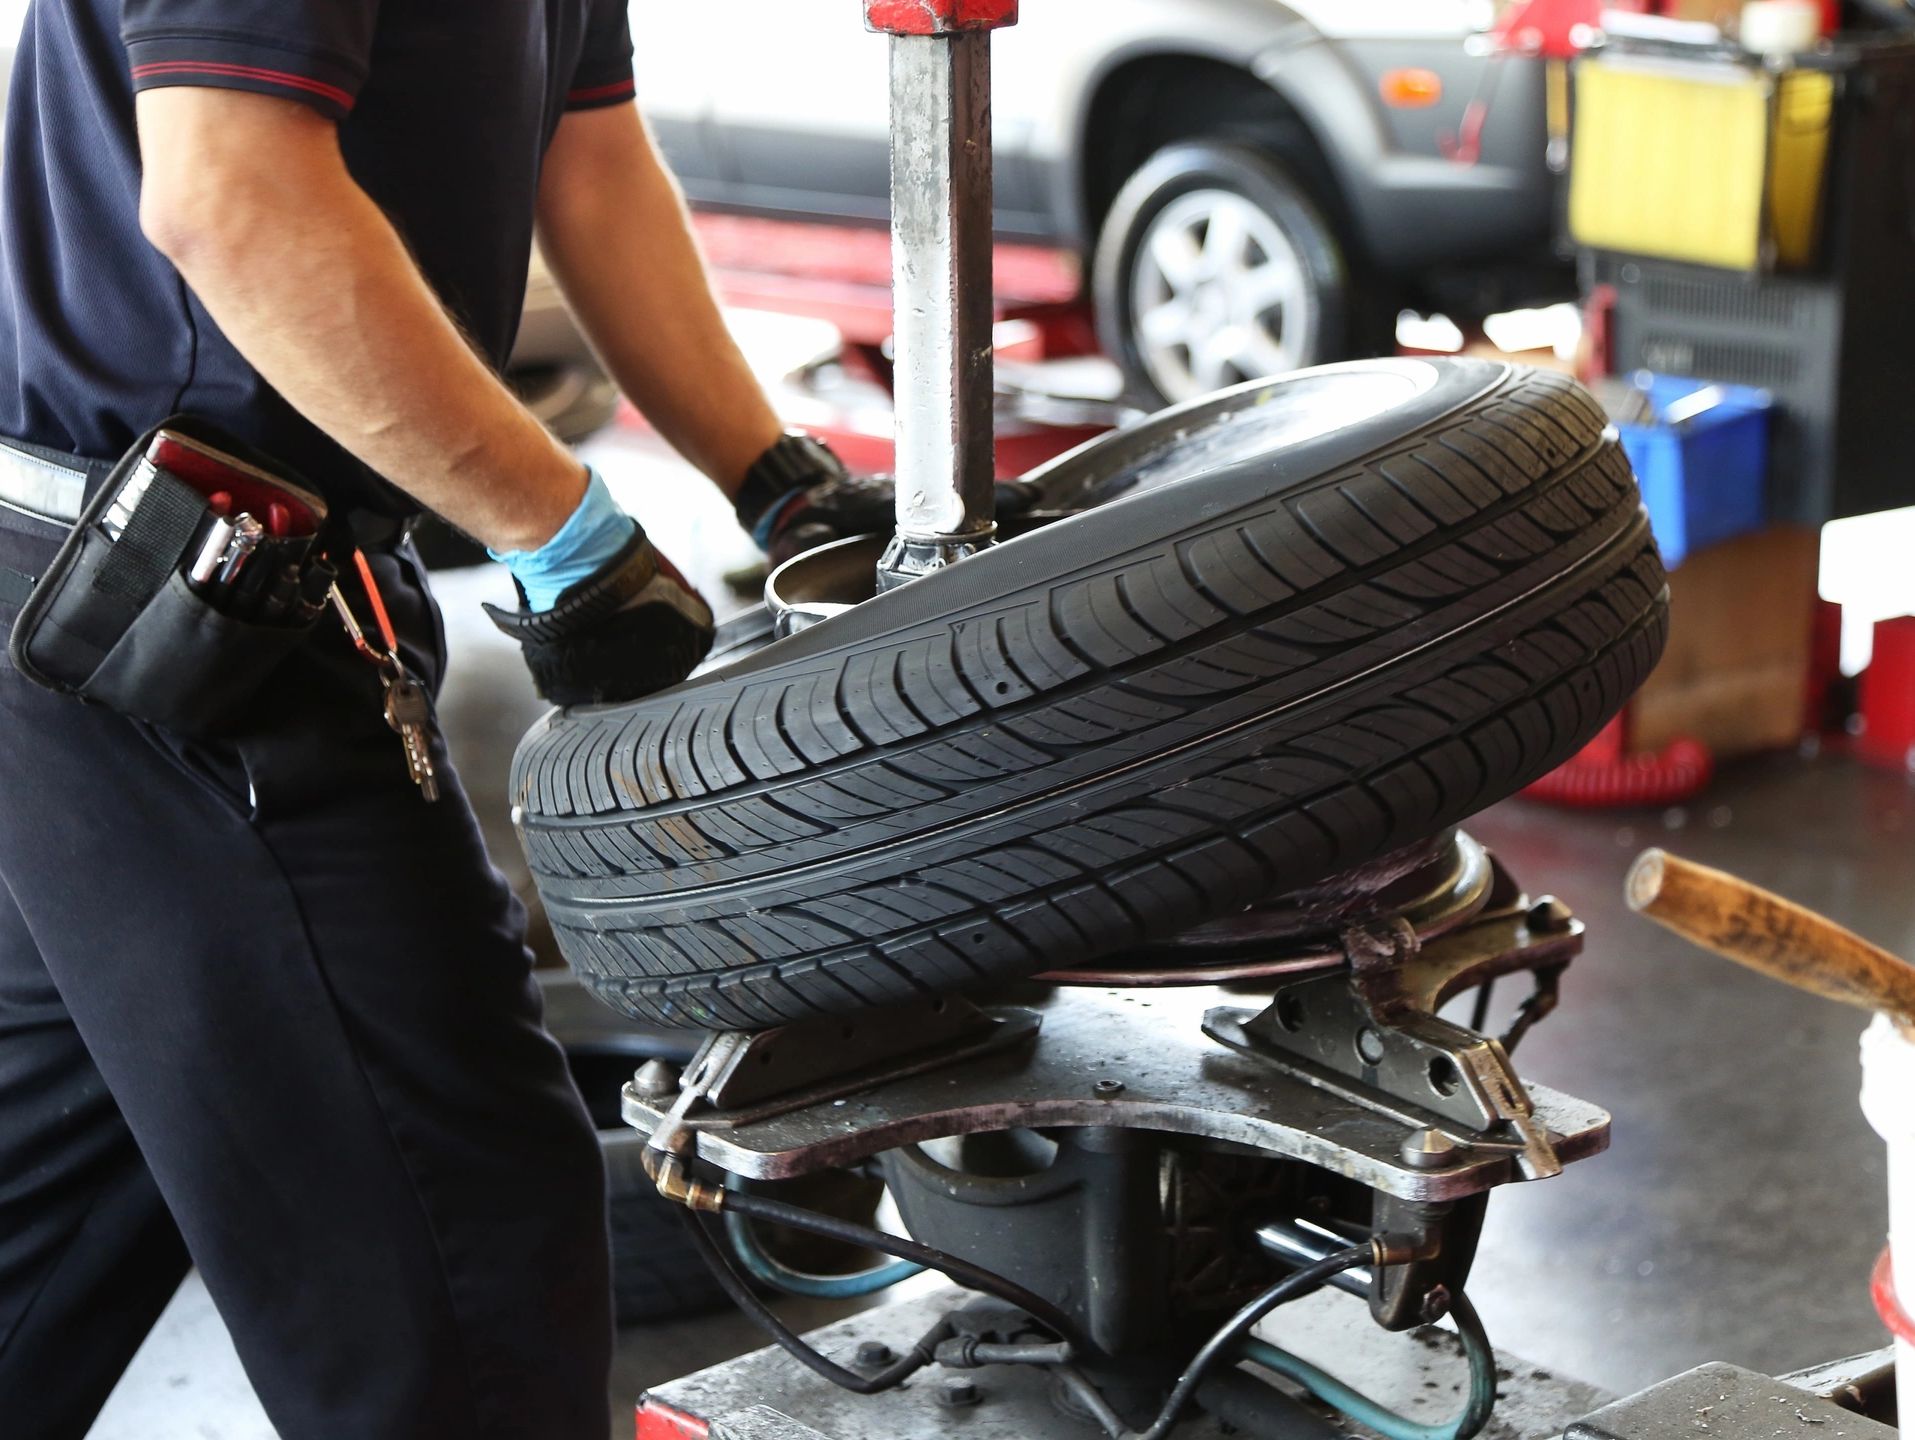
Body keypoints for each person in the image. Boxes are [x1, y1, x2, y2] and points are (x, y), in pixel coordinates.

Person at [0, 2, 873, 1435]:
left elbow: (586, 161)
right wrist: (562, 530)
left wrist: (771, 474)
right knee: (454, 1254)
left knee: (48, 1194)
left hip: (165, 579)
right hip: (187, 603)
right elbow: (226, 193)